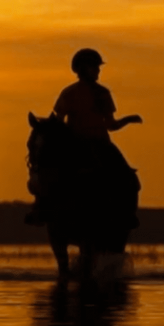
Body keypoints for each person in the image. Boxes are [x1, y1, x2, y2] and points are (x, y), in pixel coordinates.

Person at [25, 48, 142, 227]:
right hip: (81, 144)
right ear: (82, 69)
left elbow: (109, 125)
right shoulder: (72, 93)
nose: (98, 70)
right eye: (94, 67)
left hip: (99, 143)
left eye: (97, 67)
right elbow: (58, 121)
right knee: (47, 173)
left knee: (129, 178)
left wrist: (128, 120)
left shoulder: (102, 93)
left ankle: (128, 214)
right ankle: (40, 207)